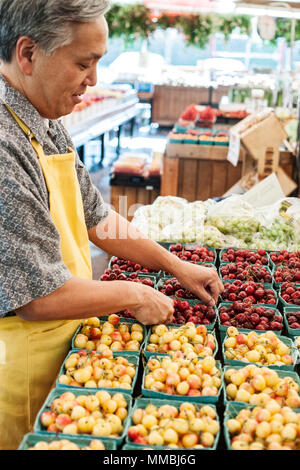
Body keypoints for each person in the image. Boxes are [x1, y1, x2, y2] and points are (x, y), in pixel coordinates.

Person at [0, 0, 224, 450]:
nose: (94, 80)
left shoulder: (43, 119)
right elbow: (38, 297)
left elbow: (98, 219)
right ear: (28, 55)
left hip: (65, 352)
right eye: (84, 63)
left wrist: (175, 265)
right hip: (17, 373)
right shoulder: (4, 147)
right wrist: (135, 293)